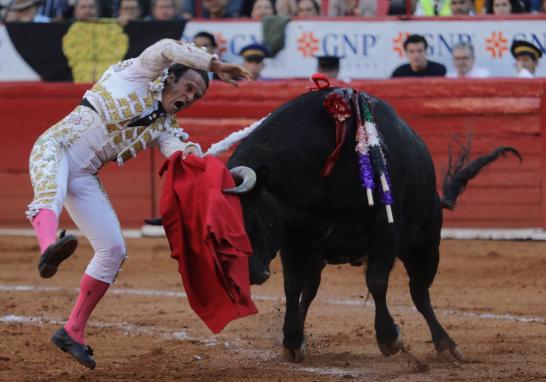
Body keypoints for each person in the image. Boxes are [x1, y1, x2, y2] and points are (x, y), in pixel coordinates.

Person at [27, 38, 251, 369]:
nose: (189, 98)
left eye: (196, 96)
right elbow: (165, 47)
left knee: (114, 250)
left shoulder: (164, 127)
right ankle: (49, 247)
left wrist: (219, 171)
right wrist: (214, 65)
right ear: (171, 77)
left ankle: (72, 330)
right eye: (188, 87)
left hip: (85, 176)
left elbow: (185, 157)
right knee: (50, 193)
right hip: (56, 147)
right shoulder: (139, 73)